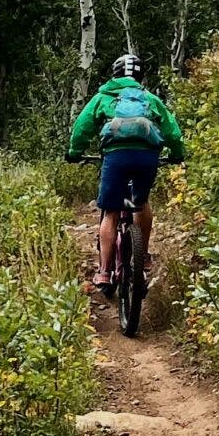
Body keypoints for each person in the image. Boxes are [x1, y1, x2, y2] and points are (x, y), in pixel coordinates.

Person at [67, 52, 186, 294]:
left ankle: (103, 271)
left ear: (115, 74)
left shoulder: (104, 97)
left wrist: (74, 151)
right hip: (147, 157)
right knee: (140, 203)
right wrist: (176, 154)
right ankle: (142, 256)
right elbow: (172, 131)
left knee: (110, 211)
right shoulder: (150, 99)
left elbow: (82, 127)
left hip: (116, 156)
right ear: (140, 76)